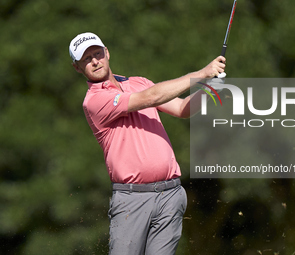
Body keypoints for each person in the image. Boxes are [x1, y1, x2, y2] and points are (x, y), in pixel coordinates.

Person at [69, 32, 225, 255]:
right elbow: (150, 98)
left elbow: (183, 109)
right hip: (132, 200)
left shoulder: (139, 82)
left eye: (97, 53)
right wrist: (202, 73)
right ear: (77, 67)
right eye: (86, 59)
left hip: (170, 194)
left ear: (107, 53)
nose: (95, 61)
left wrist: (210, 87)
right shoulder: (94, 101)